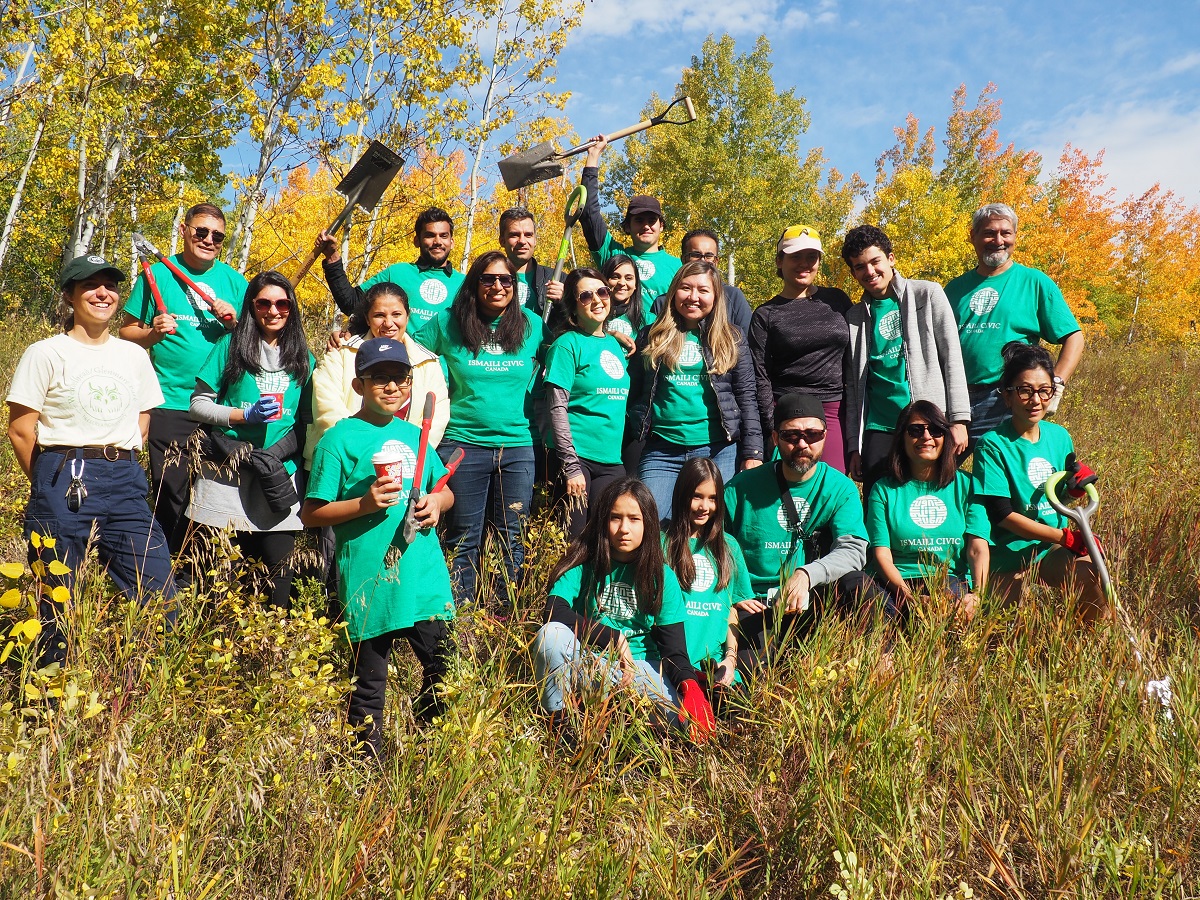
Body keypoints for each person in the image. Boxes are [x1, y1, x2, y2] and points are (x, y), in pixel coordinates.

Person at [8, 254, 176, 667]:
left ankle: (132, 692)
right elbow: (20, 429)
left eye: (110, 286)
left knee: (160, 596)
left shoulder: (133, 356)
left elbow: (143, 416)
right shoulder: (45, 353)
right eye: (90, 285)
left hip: (125, 480)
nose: (103, 293)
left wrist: (120, 454)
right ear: (70, 295)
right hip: (64, 474)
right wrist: (49, 483)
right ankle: (46, 706)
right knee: (56, 605)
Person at [302, 338, 456, 757]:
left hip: (423, 575)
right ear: (358, 384)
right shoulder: (341, 439)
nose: (391, 387)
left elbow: (445, 491)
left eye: (400, 379)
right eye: (379, 379)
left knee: (447, 668)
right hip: (372, 579)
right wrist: (364, 504)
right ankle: (363, 767)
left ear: (411, 383)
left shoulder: (415, 435)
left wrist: (436, 504)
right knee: (369, 683)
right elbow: (312, 513)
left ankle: (430, 746)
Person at [531, 477, 716, 741]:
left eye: (634, 519)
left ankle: (613, 724)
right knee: (549, 636)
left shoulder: (661, 576)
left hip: (640, 672)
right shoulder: (585, 564)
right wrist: (613, 638)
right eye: (616, 518)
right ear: (604, 520)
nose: (624, 529)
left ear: (648, 524)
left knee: (683, 722)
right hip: (591, 667)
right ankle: (561, 731)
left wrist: (690, 687)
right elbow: (553, 610)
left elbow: (674, 651)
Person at [416, 250, 545, 605]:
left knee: (512, 538)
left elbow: (567, 352)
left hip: (518, 446)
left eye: (507, 280)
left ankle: (502, 617)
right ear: (475, 284)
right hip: (463, 445)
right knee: (462, 536)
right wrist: (351, 334)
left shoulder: (532, 325)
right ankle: (462, 621)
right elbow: (407, 350)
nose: (499, 286)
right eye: (488, 279)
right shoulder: (448, 323)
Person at [118, 202, 246, 553]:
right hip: (171, 402)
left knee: (215, 497)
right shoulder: (157, 274)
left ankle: (202, 571)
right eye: (201, 231)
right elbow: (127, 331)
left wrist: (236, 324)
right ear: (184, 230)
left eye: (217, 236)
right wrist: (152, 335)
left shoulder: (235, 283)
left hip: (222, 407)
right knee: (170, 492)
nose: (208, 239)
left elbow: (260, 335)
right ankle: (163, 565)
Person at [723, 393, 879, 675]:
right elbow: (714, 546)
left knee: (860, 585)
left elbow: (854, 550)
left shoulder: (840, 488)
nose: (803, 443)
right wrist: (735, 594)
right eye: (791, 435)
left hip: (815, 599)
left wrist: (807, 574)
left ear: (825, 435)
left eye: (812, 434)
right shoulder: (740, 489)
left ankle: (874, 664)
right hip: (758, 605)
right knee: (748, 682)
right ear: (775, 438)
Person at [186, 271, 314, 610]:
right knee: (219, 583)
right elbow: (198, 404)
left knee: (278, 583)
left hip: (278, 477)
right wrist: (243, 416)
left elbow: (306, 421)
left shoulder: (304, 356)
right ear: (252, 306)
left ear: (292, 308)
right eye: (264, 303)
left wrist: (274, 454)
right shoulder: (229, 345)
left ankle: (272, 657)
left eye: (282, 303)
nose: (273, 311)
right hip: (226, 475)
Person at [972, 342, 1108, 623]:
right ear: (1007, 396)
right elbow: (1003, 516)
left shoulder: (1059, 437)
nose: (1035, 400)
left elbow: (1058, 499)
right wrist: (1066, 537)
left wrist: (1073, 489)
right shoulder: (992, 445)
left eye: (1044, 391)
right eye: (1024, 390)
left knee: (1096, 575)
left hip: (1049, 549)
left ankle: (1088, 644)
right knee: (1010, 630)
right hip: (1010, 552)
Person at [841, 224, 971, 502]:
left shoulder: (927, 294)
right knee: (878, 505)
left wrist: (959, 420)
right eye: (860, 266)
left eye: (875, 261)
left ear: (891, 258)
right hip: (879, 428)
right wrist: (855, 444)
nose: (870, 271)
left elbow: (952, 357)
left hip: (926, 425)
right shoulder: (854, 317)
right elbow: (853, 387)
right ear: (854, 273)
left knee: (930, 499)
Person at [944, 203, 1084, 451]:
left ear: (1015, 237)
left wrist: (1054, 384)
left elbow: (1073, 336)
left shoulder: (1035, 282)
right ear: (972, 236)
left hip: (1008, 399)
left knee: (1009, 475)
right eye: (988, 232)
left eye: (1005, 233)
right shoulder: (954, 289)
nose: (997, 240)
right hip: (955, 401)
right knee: (941, 476)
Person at [629, 260, 763, 517]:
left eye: (703, 290)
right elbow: (634, 391)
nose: (693, 297)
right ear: (673, 292)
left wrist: (753, 452)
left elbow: (747, 397)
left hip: (717, 450)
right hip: (662, 450)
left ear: (715, 296)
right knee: (651, 524)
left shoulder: (732, 338)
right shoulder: (650, 335)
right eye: (685, 288)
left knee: (709, 528)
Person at [865, 401, 989, 623]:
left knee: (951, 615)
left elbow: (977, 548)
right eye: (915, 430)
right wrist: (909, 597)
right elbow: (881, 554)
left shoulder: (967, 485)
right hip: (897, 581)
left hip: (947, 579)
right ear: (901, 439)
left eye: (935, 430)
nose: (926, 437)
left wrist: (978, 595)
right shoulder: (883, 490)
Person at [306, 281, 449, 469]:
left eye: (396, 314)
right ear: (367, 318)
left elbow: (436, 419)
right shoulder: (342, 353)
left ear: (407, 317)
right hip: (343, 463)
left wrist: (408, 457)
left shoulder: (427, 363)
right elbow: (327, 408)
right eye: (379, 315)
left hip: (406, 465)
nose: (389, 323)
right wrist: (361, 453)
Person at [748, 225, 853, 472]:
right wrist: (773, 425)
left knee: (832, 488)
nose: (804, 264)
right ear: (779, 261)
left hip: (833, 410)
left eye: (811, 257)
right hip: (787, 411)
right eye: (795, 256)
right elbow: (760, 375)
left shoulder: (837, 300)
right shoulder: (766, 314)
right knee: (789, 492)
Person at [542, 268, 630, 538]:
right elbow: (557, 408)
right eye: (585, 295)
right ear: (573, 305)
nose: (597, 299)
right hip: (576, 459)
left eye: (602, 291)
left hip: (611, 461)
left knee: (607, 541)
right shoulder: (566, 345)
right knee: (574, 543)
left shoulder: (616, 346)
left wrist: (614, 334)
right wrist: (571, 466)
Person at [663, 458, 751, 707]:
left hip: (716, 671)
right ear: (681, 496)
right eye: (696, 496)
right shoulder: (661, 543)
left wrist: (731, 660)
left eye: (712, 498)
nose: (704, 506)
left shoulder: (729, 546)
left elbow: (733, 609)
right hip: (672, 668)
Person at [317, 207, 465, 334]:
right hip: (398, 363)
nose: (438, 241)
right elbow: (351, 303)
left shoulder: (465, 283)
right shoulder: (397, 273)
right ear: (417, 241)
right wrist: (332, 256)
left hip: (443, 367)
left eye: (443, 236)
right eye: (429, 235)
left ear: (452, 242)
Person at [579, 135, 681, 310]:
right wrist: (594, 155)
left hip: (658, 337)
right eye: (639, 220)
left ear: (661, 226)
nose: (646, 226)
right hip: (615, 335)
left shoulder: (678, 266)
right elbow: (588, 212)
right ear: (627, 226)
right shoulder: (612, 254)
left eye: (652, 220)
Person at [648, 230, 753, 335]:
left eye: (708, 256)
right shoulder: (663, 302)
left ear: (716, 261)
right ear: (683, 259)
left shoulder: (733, 297)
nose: (702, 260)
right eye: (695, 255)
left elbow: (745, 342)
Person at [498, 206, 564, 315]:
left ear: (535, 240)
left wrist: (565, 302)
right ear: (502, 241)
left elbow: (578, 323)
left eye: (528, 235)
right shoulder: (489, 280)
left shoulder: (557, 278)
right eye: (514, 235)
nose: (522, 241)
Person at [602, 254, 650, 343]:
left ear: (636, 284)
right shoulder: (593, 318)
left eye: (628, 278)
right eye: (615, 277)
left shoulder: (649, 320)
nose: (622, 283)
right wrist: (611, 334)